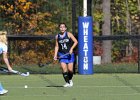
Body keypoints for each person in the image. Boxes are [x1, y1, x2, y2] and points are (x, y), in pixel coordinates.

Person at [54, 23, 78, 87]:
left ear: (65, 28)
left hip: (69, 54)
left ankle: (70, 80)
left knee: (70, 70)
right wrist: (55, 55)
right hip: (62, 54)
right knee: (64, 68)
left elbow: (76, 41)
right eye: (61, 27)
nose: (62, 28)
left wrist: (71, 49)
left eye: (63, 27)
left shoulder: (69, 34)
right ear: (59, 28)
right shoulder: (57, 36)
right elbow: (56, 46)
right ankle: (67, 82)